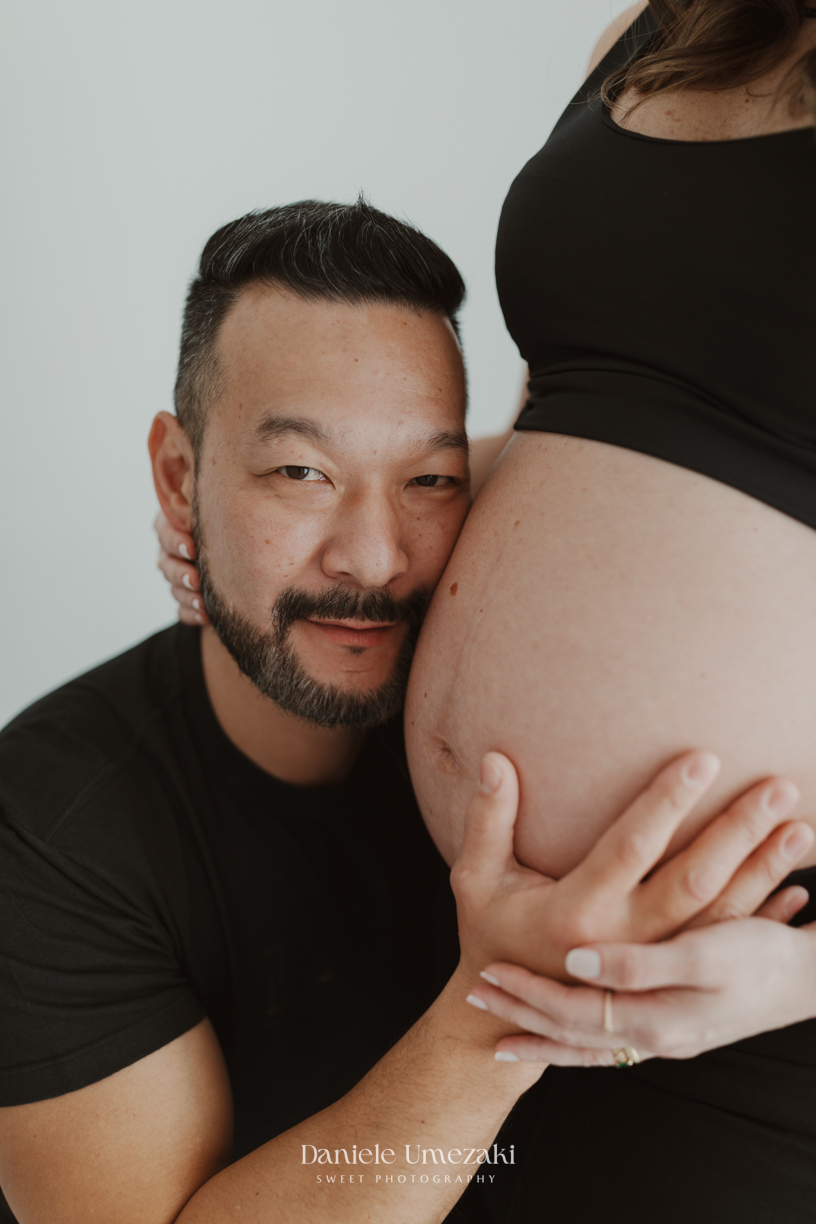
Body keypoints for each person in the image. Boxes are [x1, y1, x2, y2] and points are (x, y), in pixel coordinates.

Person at [0, 200, 809, 1224]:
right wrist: (503, 998)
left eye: (430, 478)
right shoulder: (50, 832)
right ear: (178, 476)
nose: (374, 559)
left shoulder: (496, 667)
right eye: (301, 473)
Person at [397, 1, 816, 1220]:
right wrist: (323, 527)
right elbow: (566, 424)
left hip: (728, 1008)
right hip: (436, 918)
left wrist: (794, 978)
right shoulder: (664, 27)